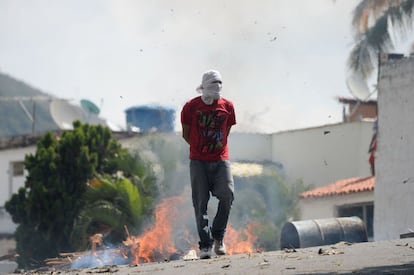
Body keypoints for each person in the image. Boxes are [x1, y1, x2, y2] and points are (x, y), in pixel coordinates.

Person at [181, 70, 236, 259]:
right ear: (203, 89)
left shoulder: (228, 106)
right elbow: (186, 133)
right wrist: (201, 150)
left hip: (221, 160)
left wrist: (215, 149)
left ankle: (218, 237)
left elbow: (226, 131)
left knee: (227, 195)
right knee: (200, 201)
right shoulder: (190, 107)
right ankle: (205, 246)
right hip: (198, 162)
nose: (213, 98)